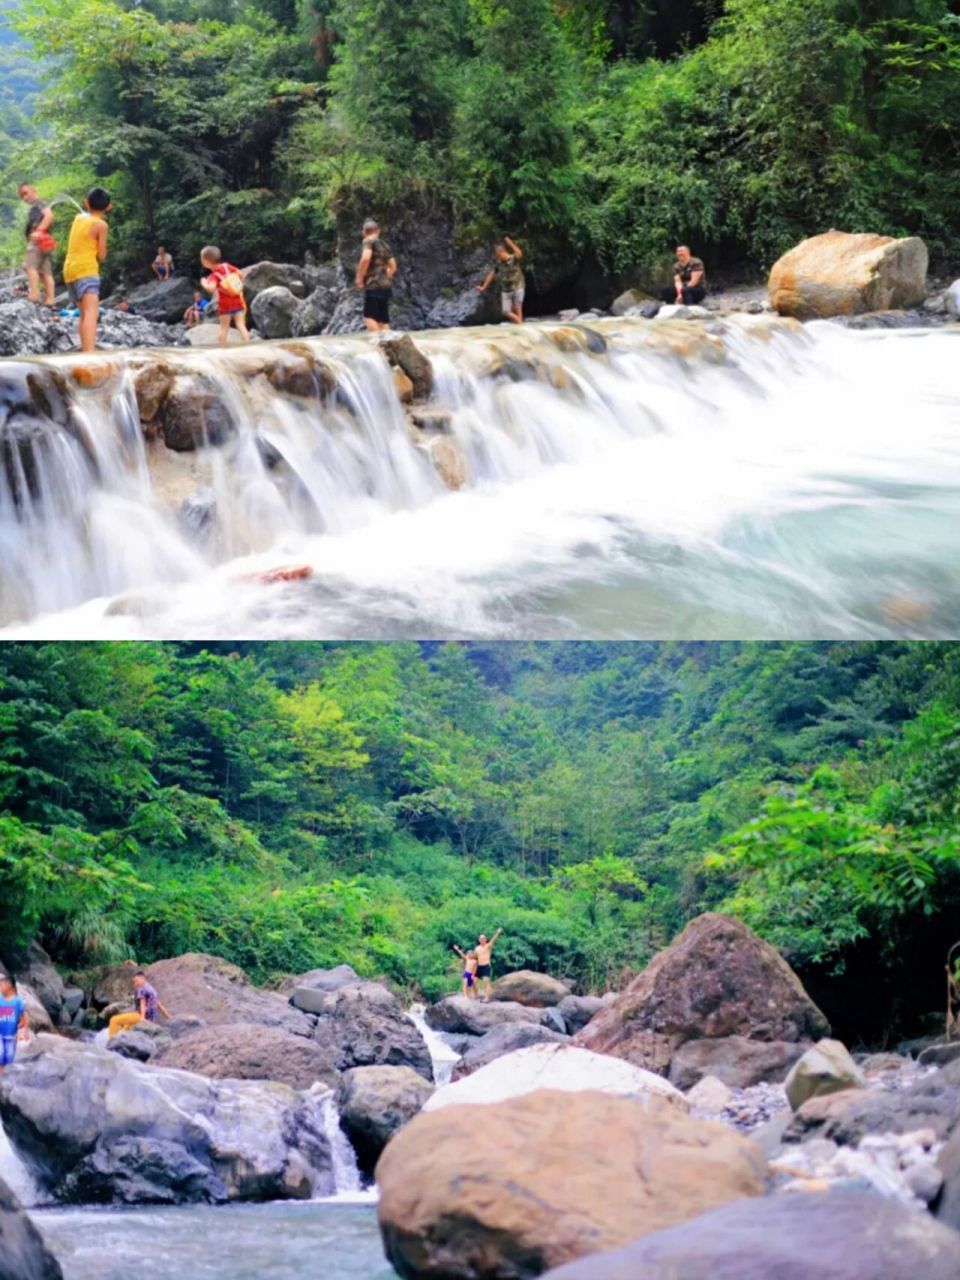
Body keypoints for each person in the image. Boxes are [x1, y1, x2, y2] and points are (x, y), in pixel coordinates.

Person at [63, 186, 111, 354]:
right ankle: (89, 353)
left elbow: (84, 216)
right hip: (86, 271)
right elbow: (102, 255)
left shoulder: (78, 218)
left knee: (84, 313)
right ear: (108, 207)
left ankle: (85, 349)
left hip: (70, 271)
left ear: (85, 203)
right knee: (92, 312)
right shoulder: (101, 225)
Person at [200, 245, 250, 345]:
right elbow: (240, 274)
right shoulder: (227, 266)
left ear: (206, 261)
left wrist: (204, 282)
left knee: (224, 328)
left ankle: (222, 349)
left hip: (225, 304)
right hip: (237, 300)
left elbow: (211, 288)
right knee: (241, 325)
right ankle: (248, 344)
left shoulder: (214, 275)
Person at [17, 183, 56, 307]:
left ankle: (34, 295)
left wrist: (39, 231)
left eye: (25, 193)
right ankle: (50, 300)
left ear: (34, 190)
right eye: (21, 196)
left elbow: (49, 216)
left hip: (38, 240)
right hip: (45, 241)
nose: (24, 197)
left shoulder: (40, 203)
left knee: (30, 266)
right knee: (45, 272)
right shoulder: (37, 205)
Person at [355, 218, 396, 333]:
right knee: (383, 321)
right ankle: (390, 347)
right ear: (378, 231)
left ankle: (378, 346)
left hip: (373, 286)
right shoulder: (384, 245)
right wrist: (385, 276)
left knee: (369, 317)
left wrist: (359, 277)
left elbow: (365, 258)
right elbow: (393, 266)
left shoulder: (368, 241)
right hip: (385, 287)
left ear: (364, 233)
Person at [476, 236, 525, 324]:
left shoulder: (512, 259)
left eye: (496, 254)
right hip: (506, 290)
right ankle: (521, 327)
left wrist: (510, 243)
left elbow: (519, 254)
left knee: (517, 310)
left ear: (500, 252)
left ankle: (520, 331)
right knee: (506, 311)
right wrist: (483, 287)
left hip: (517, 287)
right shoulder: (499, 264)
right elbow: (491, 274)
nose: (496, 256)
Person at [107, 972, 171, 1037]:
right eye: (134, 982)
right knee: (126, 1028)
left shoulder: (142, 989)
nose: (135, 984)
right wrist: (168, 1017)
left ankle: (111, 1041)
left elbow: (142, 1004)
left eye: (136, 981)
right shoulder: (152, 990)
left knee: (113, 1020)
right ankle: (120, 1040)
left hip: (140, 1017)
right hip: (151, 1020)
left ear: (143, 978)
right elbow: (159, 1004)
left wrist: (142, 1018)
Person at [0, 975, 29, 1072]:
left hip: (11, 1035)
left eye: (2, 985)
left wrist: (25, 1031)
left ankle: (5, 1076)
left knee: (9, 1057)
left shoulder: (18, 1001)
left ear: (10, 987)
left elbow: (24, 1015)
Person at [475, 928, 503, 1003]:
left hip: (486, 966)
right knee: (473, 981)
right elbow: (475, 958)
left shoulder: (488, 946)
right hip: (478, 966)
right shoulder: (477, 948)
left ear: (486, 939)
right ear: (479, 940)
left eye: (483, 938)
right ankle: (476, 995)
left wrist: (497, 933)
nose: (482, 939)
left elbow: (493, 940)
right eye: (480, 938)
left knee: (485, 983)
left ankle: (487, 998)